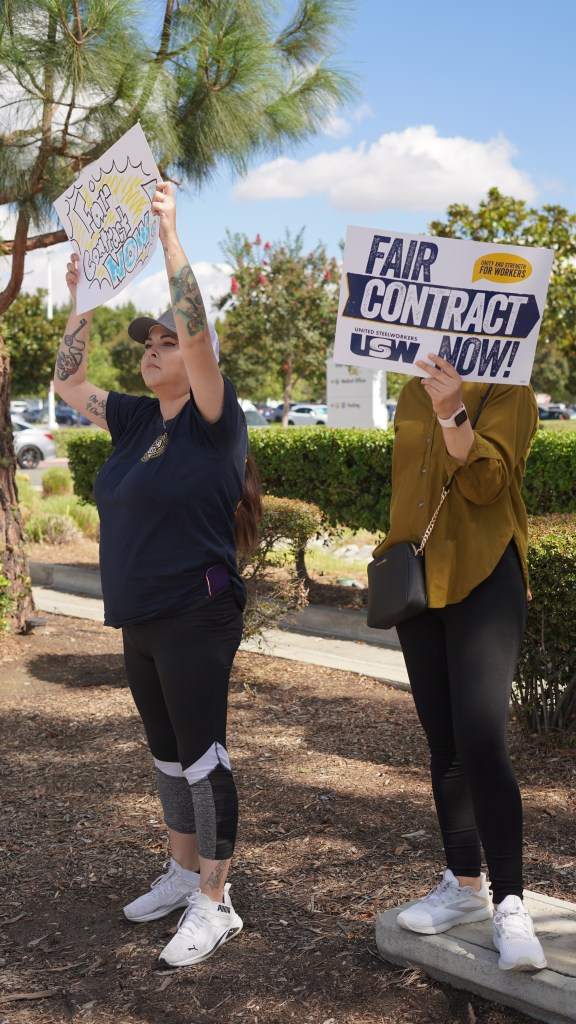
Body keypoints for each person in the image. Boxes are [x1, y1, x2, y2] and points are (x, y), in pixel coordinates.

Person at [54, 181, 261, 968]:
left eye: (165, 342)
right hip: (141, 615)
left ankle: (217, 899)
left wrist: (172, 238)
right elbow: (70, 384)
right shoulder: (140, 419)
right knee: (167, 753)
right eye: (148, 341)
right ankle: (181, 874)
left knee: (204, 756)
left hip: (196, 614)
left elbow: (201, 336)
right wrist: (80, 299)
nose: (153, 348)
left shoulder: (216, 418)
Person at [375, 353, 547, 972]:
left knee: (481, 743)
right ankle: (464, 885)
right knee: (444, 744)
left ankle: (510, 904)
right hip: (417, 582)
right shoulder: (410, 391)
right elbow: (408, 486)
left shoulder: (510, 391)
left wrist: (454, 411)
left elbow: (486, 485)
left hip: (483, 577)